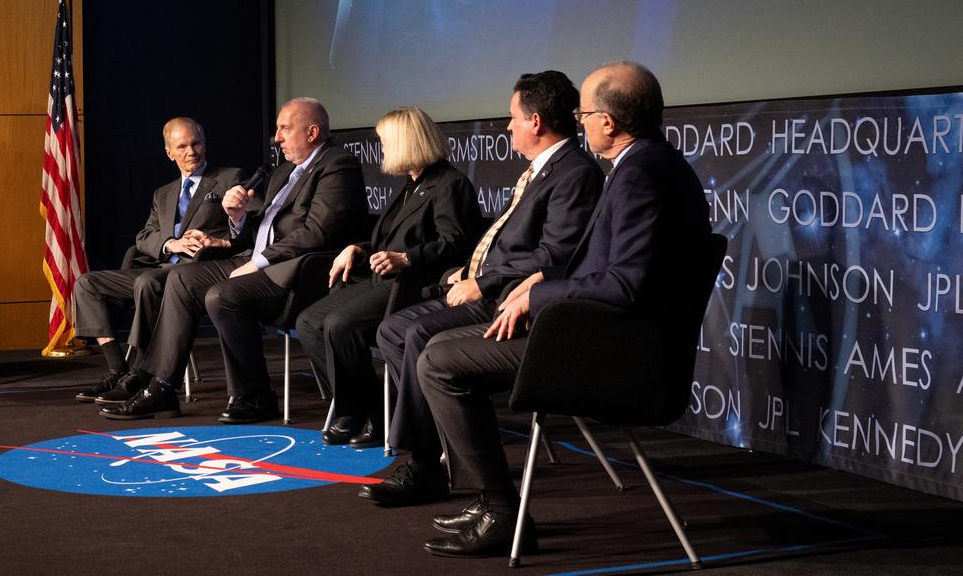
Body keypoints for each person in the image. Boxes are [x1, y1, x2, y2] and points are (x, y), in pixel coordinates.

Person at [415, 61, 712, 558]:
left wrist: (539, 296)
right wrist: (547, 278)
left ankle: (502, 512)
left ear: (609, 123)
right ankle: (494, 503)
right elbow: (614, 270)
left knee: (439, 362)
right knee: (440, 344)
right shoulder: (648, 163)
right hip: (600, 331)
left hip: (616, 352)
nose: (580, 121)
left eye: (585, 113)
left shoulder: (641, 174)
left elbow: (626, 284)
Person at [363, 71, 602, 506]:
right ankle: (437, 450)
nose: (507, 126)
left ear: (535, 122)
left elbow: (555, 256)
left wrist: (483, 281)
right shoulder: (543, 171)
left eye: (512, 117)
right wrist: (466, 273)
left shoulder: (574, 174)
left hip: (513, 303)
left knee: (419, 334)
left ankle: (423, 464)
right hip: (490, 288)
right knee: (392, 330)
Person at [101, 97, 368, 423]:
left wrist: (257, 263)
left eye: (284, 128)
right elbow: (259, 231)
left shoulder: (337, 164)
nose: (277, 138)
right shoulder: (286, 171)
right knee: (181, 278)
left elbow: (317, 233)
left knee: (222, 295)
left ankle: (253, 396)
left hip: (300, 274)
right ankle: (161, 385)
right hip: (260, 260)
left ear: (312, 132)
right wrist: (239, 217)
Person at [296, 106, 481, 449]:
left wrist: (407, 258)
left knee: (340, 325)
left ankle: (378, 417)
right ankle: (355, 408)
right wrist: (358, 248)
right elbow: (389, 241)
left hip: (412, 284)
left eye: (385, 143)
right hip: (380, 278)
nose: (381, 151)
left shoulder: (449, 184)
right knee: (309, 322)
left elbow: (455, 245)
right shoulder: (411, 184)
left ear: (406, 142)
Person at [71, 118, 243, 404]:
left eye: (196, 143)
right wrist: (169, 243)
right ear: (169, 153)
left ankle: (142, 373)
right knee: (87, 283)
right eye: (183, 146)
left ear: (205, 143)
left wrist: (222, 236)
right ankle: (118, 369)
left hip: (197, 272)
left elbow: (248, 225)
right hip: (159, 267)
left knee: (147, 283)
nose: (192, 151)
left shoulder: (230, 178)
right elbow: (144, 236)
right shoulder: (163, 193)